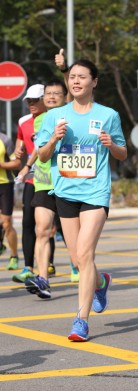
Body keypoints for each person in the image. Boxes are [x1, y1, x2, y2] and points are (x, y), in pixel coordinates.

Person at [37, 58, 127, 341]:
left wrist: (111, 145)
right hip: (65, 192)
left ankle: (81, 320)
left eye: (82, 77)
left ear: (94, 81)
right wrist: (54, 139)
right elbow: (42, 156)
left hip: (95, 192)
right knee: (77, 258)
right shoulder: (54, 116)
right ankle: (101, 282)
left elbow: (123, 152)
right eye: (72, 76)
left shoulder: (108, 115)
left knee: (86, 254)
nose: (75, 81)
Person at [19, 79, 78, 299]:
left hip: (69, 182)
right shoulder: (39, 120)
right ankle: (43, 279)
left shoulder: (73, 114)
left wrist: (64, 70)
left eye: (56, 93)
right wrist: (27, 166)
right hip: (44, 182)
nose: (51, 97)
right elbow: (39, 148)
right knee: (42, 229)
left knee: (73, 237)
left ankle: (86, 272)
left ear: (65, 96)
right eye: (48, 93)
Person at [12, 84, 46, 283]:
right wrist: (18, 151)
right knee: (27, 222)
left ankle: (74, 265)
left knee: (53, 226)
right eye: (28, 101)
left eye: (35, 100)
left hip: (52, 179)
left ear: (44, 100)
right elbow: (20, 144)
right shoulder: (23, 121)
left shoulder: (52, 119)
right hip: (33, 178)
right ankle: (28, 267)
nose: (31, 104)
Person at [0, 131, 21, 269]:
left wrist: (1, 165)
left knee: (6, 223)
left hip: (5, 185)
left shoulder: (5, 140)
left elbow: (17, 163)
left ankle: (14, 256)